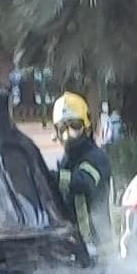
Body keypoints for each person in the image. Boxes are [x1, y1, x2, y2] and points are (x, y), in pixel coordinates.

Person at [52, 91, 113, 261]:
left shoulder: (97, 157)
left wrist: (52, 177)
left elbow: (83, 182)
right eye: (63, 128)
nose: (68, 134)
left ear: (86, 125)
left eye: (74, 126)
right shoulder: (66, 162)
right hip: (76, 248)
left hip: (100, 251)